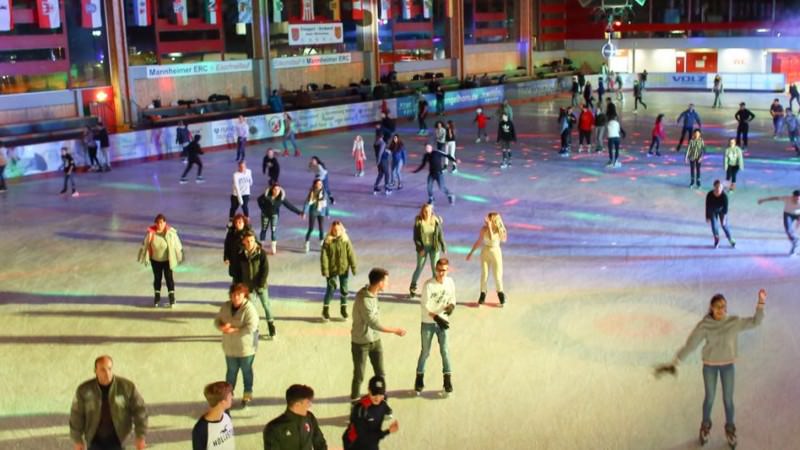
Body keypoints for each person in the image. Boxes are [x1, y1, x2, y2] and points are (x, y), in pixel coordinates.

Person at [654, 289, 766, 448]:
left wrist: (761, 302)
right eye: (717, 307)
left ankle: (730, 429)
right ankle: (705, 427)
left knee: (728, 400)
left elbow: (756, 322)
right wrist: (675, 362)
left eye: (723, 306)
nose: (721, 310)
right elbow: (691, 345)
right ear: (711, 308)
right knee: (710, 398)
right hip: (710, 367)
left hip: (728, 366)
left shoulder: (733, 321)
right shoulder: (704, 325)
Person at [350, 268, 407, 402]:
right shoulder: (364, 299)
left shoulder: (373, 294)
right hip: (361, 342)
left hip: (375, 340)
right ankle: (355, 401)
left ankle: (382, 399)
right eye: (386, 281)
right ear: (380, 282)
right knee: (359, 375)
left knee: (380, 372)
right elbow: (373, 323)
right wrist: (395, 330)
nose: (388, 283)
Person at [69, 355, 148, 450]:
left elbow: (140, 411)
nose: (107, 373)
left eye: (109, 369)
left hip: (120, 440)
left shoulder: (127, 387)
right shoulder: (84, 390)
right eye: (102, 370)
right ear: (95, 371)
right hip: (94, 441)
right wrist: (77, 440)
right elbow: (76, 415)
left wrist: (140, 436)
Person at [414, 257, 456, 396]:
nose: (441, 273)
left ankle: (447, 381)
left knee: (445, 351)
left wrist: (451, 307)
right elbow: (425, 305)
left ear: (447, 270)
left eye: (444, 270)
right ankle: (419, 379)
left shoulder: (450, 282)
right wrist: (436, 317)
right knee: (425, 351)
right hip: (428, 323)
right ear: (435, 270)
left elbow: (452, 299)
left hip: (443, 322)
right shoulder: (428, 285)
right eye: (439, 270)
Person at [215, 283, 260, 408]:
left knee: (246, 371)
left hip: (246, 348)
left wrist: (234, 330)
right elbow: (217, 320)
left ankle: (247, 394)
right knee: (231, 373)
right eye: (233, 295)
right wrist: (221, 326)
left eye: (239, 295)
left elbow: (252, 327)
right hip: (230, 348)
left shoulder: (249, 309)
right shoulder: (226, 306)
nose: (236, 297)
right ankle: (228, 395)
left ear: (244, 295)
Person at [232, 231, 276, 340]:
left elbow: (265, 270)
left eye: (252, 240)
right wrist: (239, 285)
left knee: (266, 305)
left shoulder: (261, 253)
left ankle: (271, 327)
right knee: (252, 309)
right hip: (248, 287)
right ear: (244, 242)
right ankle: (255, 328)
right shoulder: (241, 255)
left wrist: (260, 284)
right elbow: (237, 271)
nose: (250, 243)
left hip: (261, 286)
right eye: (247, 241)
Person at [138, 213, 184, 307]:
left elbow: (177, 245)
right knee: (157, 278)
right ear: (155, 223)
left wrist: (180, 255)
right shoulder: (150, 233)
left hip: (167, 260)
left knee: (169, 278)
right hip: (155, 260)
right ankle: (157, 297)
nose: (160, 225)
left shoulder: (171, 233)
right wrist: (142, 256)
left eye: (161, 223)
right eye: (158, 223)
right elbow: (145, 245)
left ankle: (171, 298)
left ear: (165, 223)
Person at [263, 384, 327, 450]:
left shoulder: (310, 418)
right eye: (308, 403)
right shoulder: (274, 428)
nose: (310, 405)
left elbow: (320, 443)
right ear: (297, 405)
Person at [342, 376, 399, 450]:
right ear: (369, 390)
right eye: (374, 394)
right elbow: (365, 439)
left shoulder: (383, 404)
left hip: (372, 443)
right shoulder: (360, 410)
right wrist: (388, 431)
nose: (377, 398)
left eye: (380, 394)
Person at [466, 212, 508, 307]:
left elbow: (492, 238)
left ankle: (501, 295)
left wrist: (489, 227)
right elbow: (479, 241)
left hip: (495, 252)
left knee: (497, 275)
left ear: (494, 221)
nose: (486, 221)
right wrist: (471, 253)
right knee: (484, 274)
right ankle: (482, 294)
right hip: (485, 251)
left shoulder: (499, 230)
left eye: (489, 219)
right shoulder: (483, 229)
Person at [319, 220, 357, 321]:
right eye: (334, 229)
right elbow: (324, 257)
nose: (336, 231)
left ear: (341, 229)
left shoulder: (345, 240)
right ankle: (325, 310)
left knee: (344, 289)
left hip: (343, 268)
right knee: (331, 288)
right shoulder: (327, 241)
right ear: (331, 229)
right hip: (332, 269)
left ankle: (343, 309)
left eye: (338, 229)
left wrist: (353, 267)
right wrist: (325, 270)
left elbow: (351, 254)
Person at [409, 203, 446, 299]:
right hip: (423, 248)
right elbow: (416, 238)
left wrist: (443, 246)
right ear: (422, 212)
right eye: (425, 211)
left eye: (429, 211)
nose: (427, 213)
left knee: (435, 268)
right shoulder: (419, 222)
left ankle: (435, 289)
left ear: (431, 212)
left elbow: (440, 234)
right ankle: (413, 287)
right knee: (419, 267)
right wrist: (420, 248)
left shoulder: (435, 220)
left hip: (434, 247)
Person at [257, 183, 303, 253]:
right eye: (275, 189)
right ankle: (261, 246)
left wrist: (299, 212)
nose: (277, 191)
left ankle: (273, 247)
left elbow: (290, 206)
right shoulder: (266, 195)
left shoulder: (281, 198)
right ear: (272, 190)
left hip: (274, 215)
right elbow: (259, 200)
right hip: (265, 215)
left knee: (273, 230)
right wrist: (262, 208)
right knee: (264, 229)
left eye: (278, 190)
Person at [192, 381, 235, 450]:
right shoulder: (201, 429)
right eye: (230, 395)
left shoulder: (226, 415)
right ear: (222, 402)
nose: (232, 397)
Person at [757, 190, 800, 256]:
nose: (797, 199)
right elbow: (775, 198)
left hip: (798, 215)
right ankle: (794, 242)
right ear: (792, 196)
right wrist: (763, 200)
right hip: (788, 214)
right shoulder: (787, 198)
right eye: (796, 198)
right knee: (788, 230)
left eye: (798, 198)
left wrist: (798, 221)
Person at [705, 180, 736, 249]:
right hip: (712, 210)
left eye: (720, 188)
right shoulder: (709, 195)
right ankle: (717, 240)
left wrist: (724, 219)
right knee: (714, 226)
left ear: (722, 188)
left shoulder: (724, 196)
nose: (718, 189)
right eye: (717, 187)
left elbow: (725, 209)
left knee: (724, 225)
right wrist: (707, 217)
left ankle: (730, 239)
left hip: (722, 211)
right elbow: (707, 206)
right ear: (714, 187)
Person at [302, 179, 329, 253]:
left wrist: (327, 213)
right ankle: (306, 243)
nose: (320, 185)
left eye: (321, 184)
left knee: (321, 229)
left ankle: (322, 245)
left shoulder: (324, 193)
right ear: (315, 185)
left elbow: (326, 204)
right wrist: (304, 212)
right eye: (318, 184)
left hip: (321, 212)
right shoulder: (311, 193)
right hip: (313, 212)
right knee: (311, 229)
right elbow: (307, 203)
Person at [224, 213, 254, 278]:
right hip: (234, 258)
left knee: (245, 276)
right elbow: (227, 245)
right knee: (235, 276)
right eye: (236, 222)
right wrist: (226, 257)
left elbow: (256, 244)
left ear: (244, 223)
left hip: (245, 259)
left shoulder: (249, 232)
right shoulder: (231, 233)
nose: (238, 224)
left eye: (240, 222)